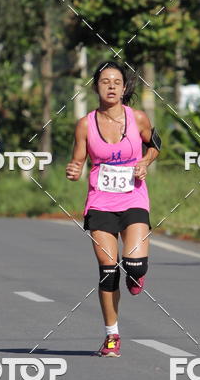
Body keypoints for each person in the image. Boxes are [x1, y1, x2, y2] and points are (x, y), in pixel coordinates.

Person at [66, 60, 161, 357]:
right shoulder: (85, 124)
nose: (110, 86)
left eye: (116, 82)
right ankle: (112, 336)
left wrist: (144, 162)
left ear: (124, 88)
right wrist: (74, 169)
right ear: (96, 86)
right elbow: (79, 159)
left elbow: (155, 143)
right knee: (108, 270)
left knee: (134, 264)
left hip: (133, 198)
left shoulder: (138, 119)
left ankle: (136, 273)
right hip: (100, 202)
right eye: (105, 81)